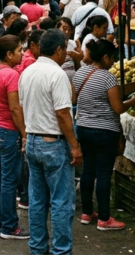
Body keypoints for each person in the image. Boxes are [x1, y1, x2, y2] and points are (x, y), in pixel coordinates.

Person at [19, 29, 81, 255]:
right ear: (59, 49)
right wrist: (75, 146)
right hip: (53, 143)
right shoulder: (57, 75)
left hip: (33, 140)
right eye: (66, 48)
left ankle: (37, 247)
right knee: (61, 202)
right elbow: (63, 114)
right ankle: (61, 250)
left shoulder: (28, 72)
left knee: (37, 200)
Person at [73, 39, 135, 230]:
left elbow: (74, 99)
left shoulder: (80, 73)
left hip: (84, 128)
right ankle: (104, 218)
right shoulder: (108, 78)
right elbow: (118, 108)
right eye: (111, 58)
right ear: (105, 57)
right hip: (104, 132)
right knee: (103, 174)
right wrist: (131, 102)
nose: (112, 62)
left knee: (88, 170)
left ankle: (87, 213)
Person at [0, 35, 28, 240]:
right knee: (9, 180)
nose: (22, 53)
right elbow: (15, 108)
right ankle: (9, 226)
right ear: (9, 54)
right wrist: (24, 132)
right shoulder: (11, 75)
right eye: (19, 50)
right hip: (7, 131)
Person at [57, 18, 81, 82]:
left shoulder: (73, 44)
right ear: (57, 28)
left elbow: (77, 66)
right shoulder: (54, 44)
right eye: (64, 29)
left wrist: (77, 58)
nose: (67, 32)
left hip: (73, 81)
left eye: (69, 30)